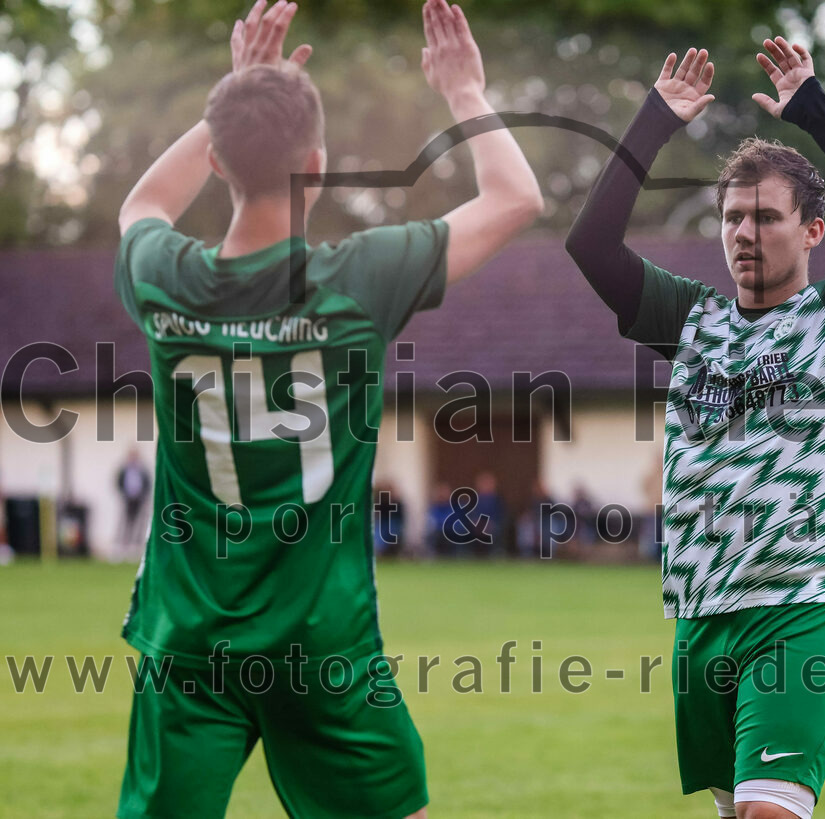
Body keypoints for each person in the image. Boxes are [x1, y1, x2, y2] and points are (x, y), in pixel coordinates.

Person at [114, 0, 541, 816]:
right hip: (321, 644)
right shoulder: (356, 279)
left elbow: (143, 204)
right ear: (315, 165)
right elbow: (516, 196)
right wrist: (464, 92)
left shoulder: (166, 278)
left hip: (189, 639)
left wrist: (233, 95)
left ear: (217, 160)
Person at [566, 38, 825, 819]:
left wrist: (816, 113)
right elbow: (589, 245)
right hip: (701, 614)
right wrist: (654, 122)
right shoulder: (688, 319)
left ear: (812, 230)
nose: (743, 232)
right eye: (732, 216)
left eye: (765, 216)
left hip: (806, 600)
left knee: (769, 812)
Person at [115, 449, 150, 558]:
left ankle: (136, 545)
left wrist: (143, 495)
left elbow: (147, 484)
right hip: (128, 499)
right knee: (126, 522)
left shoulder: (142, 470)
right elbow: (119, 482)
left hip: (139, 499)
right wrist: (123, 495)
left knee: (139, 523)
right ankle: (123, 544)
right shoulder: (124, 469)